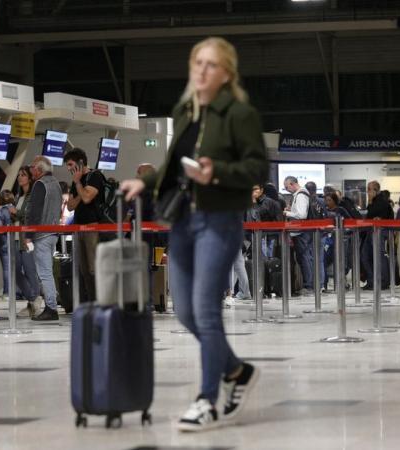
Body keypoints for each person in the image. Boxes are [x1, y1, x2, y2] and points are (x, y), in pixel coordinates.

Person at [121, 36, 268, 432]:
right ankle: (237, 371)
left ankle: (207, 399)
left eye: (211, 65)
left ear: (227, 74)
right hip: (182, 221)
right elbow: (172, 166)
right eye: (197, 63)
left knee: (205, 310)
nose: (202, 71)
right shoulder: (185, 110)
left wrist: (216, 172)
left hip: (219, 221)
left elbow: (257, 170)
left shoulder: (239, 114)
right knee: (185, 311)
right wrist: (146, 183)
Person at [25, 156, 63, 321]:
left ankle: (51, 308)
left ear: (39, 170)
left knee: (45, 273)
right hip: (53, 233)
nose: (30, 170)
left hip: (41, 234)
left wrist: (28, 235)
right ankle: (52, 304)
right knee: (48, 272)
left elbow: (34, 211)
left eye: (32, 167)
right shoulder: (56, 183)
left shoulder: (40, 185)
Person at [65, 148, 104, 303]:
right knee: (84, 270)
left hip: (93, 227)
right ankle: (92, 300)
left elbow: (87, 198)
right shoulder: (76, 181)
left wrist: (78, 184)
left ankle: (102, 301)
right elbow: (70, 206)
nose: (68, 168)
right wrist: (79, 187)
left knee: (94, 267)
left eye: (70, 164)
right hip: (79, 227)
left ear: (80, 163)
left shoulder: (95, 176)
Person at [10, 166, 42, 317]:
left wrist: (17, 212)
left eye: (23, 175)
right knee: (15, 270)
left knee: (30, 270)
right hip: (16, 238)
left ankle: (33, 303)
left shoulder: (32, 196)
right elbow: (17, 217)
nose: (19, 177)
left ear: (29, 178)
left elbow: (29, 214)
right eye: (19, 175)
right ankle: (33, 297)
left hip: (27, 238)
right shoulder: (18, 196)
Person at [282, 176, 313, 295]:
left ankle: (308, 286)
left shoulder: (301, 195)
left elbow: (301, 215)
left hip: (301, 232)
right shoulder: (300, 195)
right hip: (300, 232)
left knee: (304, 258)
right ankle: (308, 285)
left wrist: (287, 212)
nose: (286, 190)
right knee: (303, 258)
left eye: (287, 187)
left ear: (293, 184)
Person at [361, 181, 393, 290]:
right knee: (365, 255)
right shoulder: (375, 201)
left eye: (369, 189)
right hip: (371, 230)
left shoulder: (382, 201)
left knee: (379, 256)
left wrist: (370, 202)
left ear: (376, 190)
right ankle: (371, 280)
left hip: (379, 231)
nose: (367, 192)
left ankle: (383, 281)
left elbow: (370, 214)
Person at [0, 189, 14, 301]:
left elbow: (0, 229)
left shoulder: (0, 211)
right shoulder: (14, 209)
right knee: (17, 268)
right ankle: (18, 291)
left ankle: (7, 292)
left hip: (3, 242)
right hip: (15, 241)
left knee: (6, 268)